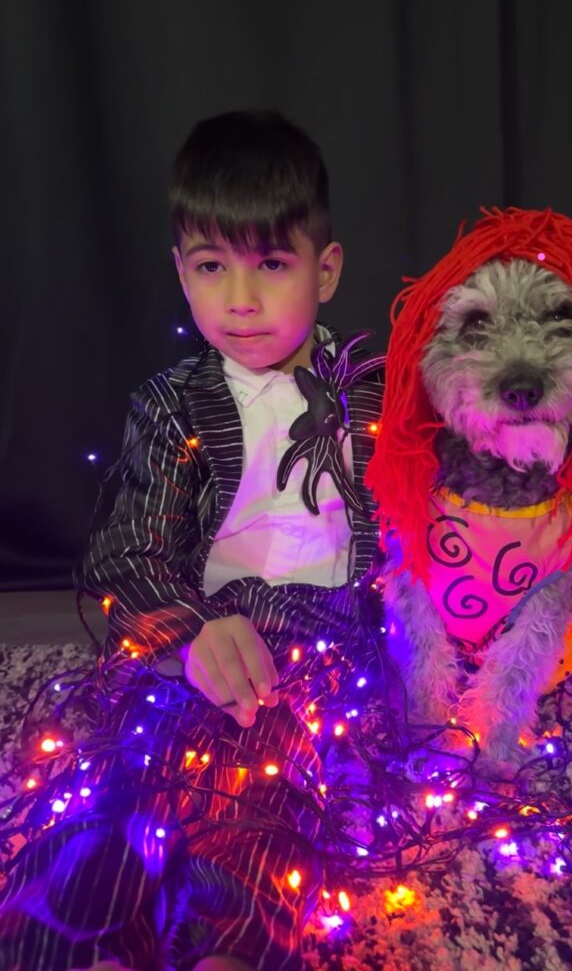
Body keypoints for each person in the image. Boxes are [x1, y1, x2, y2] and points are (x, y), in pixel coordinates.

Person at [0, 110, 385, 971]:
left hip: (321, 650)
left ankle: (224, 943)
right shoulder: (172, 404)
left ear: (325, 271)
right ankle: (85, 930)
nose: (240, 300)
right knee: (126, 781)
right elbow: (126, 554)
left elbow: (483, 491)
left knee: (266, 800)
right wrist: (190, 630)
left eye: (272, 265)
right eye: (212, 267)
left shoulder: (376, 395)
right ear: (181, 272)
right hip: (197, 634)